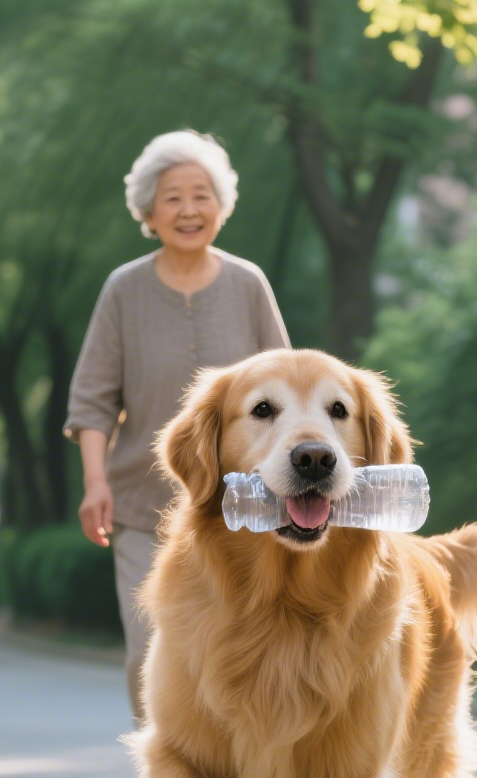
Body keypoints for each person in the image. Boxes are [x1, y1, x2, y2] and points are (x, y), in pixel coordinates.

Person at [64, 130, 289, 725]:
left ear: (221, 205)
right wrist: (95, 483)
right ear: (147, 210)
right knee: (149, 653)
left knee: (243, 654)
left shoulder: (248, 285)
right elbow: (91, 401)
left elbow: (293, 393)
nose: (188, 209)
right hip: (144, 510)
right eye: (172, 198)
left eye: (201, 195)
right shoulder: (123, 290)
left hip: (246, 508)